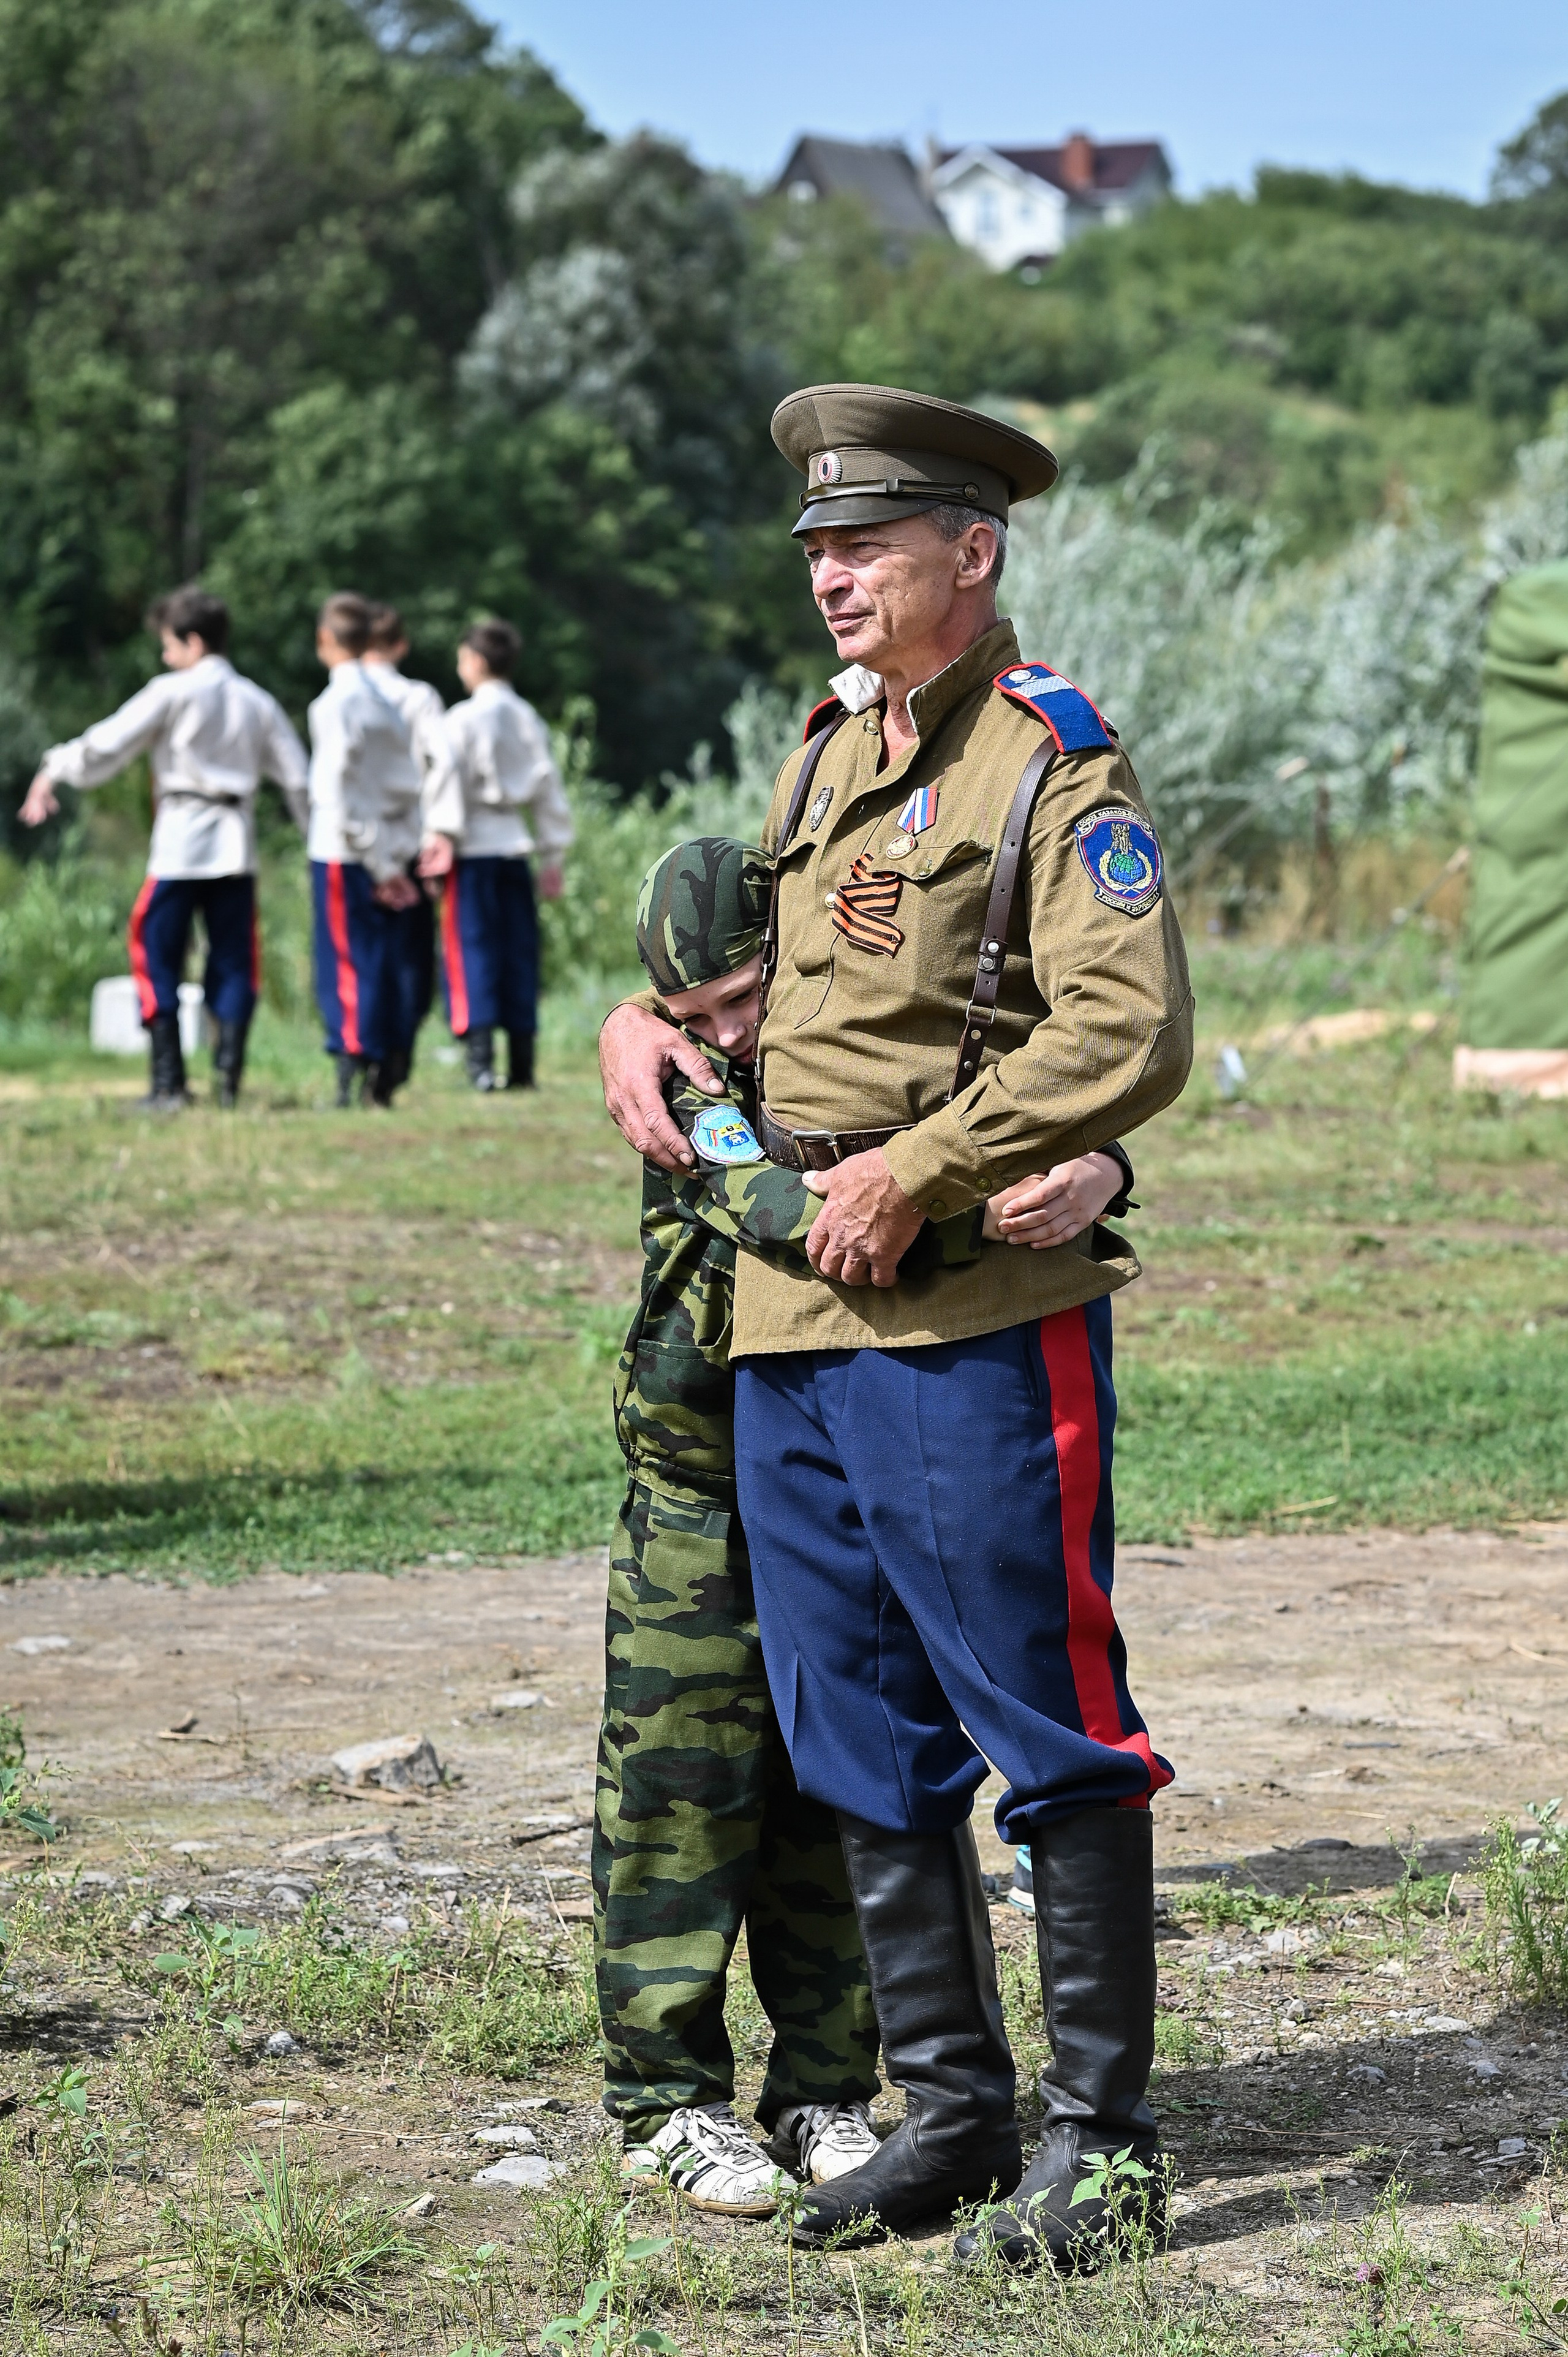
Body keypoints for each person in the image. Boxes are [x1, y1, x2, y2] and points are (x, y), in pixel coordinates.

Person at [598, 382, 1194, 2271]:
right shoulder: (820, 754)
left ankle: (1102, 2146)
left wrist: (925, 1167)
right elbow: (786, 1002)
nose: (830, 574)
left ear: (973, 551)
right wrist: (647, 1025)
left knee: (1051, 1724)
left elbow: (1125, 1027)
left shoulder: (1049, 763)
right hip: (792, 1316)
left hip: (965, 1315)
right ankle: (949, 2112)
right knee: (856, 1729)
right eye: (816, 547)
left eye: (866, 544)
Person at [600, 832, 1136, 2220]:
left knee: (837, 1774)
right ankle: (665, 2098)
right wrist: (966, 1207)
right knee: (682, 1786)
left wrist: (1098, 1163)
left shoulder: (845, 1045)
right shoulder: (693, 1084)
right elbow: (785, 1210)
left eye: (744, 996)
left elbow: (986, 1089)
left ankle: (825, 2085)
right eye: (694, 1010)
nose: (729, 1030)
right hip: (700, 1484)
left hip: (840, 1445)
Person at [18, 583, 307, 1109]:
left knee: (155, 950)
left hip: (182, 840)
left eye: (170, 646)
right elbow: (298, 779)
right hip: (236, 843)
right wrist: (316, 837)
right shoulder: (257, 700)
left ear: (194, 642)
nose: (165, 657)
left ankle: (168, 1081)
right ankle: (229, 1077)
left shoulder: (173, 691)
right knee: (235, 959)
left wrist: (55, 767)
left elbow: (109, 742)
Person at [419, 617, 573, 1092]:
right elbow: (547, 787)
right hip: (514, 845)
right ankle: (523, 1064)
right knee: (518, 952)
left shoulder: (461, 718)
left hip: (471, 847)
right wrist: (553, 854)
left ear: (476, 661)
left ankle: (482, 1065)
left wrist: (440, 836)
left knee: (472, 952)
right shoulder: (527, 717)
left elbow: (446, 776)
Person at [306, 591, 432, 1108]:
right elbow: (409, 785)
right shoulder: (386, 703)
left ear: (325, 639)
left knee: (345, 963)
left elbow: (334, 792)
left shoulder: (334, 703)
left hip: (348, 851)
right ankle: (390, 1059)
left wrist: (378, 864)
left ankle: (351, 1069)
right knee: (386, 961)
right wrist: (397, 857)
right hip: (393, 846)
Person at [363, 602, 459, 818]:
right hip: (409, 820)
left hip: (356, 823)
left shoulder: (338, 697)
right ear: (402, 646)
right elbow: (446, 761)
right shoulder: (420, 696)